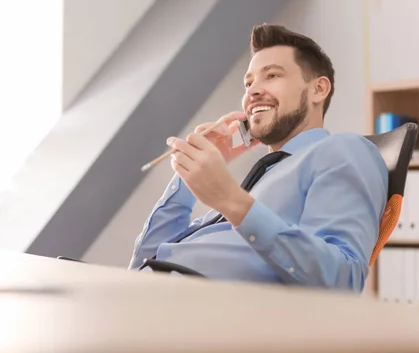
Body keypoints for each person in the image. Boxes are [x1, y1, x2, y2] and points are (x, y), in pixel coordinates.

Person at [128, 24, 388, 293]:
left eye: (272, 75)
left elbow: (342, 283)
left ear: (318, 89)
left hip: (195, 317)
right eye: (249, 83)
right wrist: (187, 178)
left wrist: (231, 201)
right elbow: (141, 264)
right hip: (142, 297)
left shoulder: (344, 150)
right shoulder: (255, 186)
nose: (252, 92)